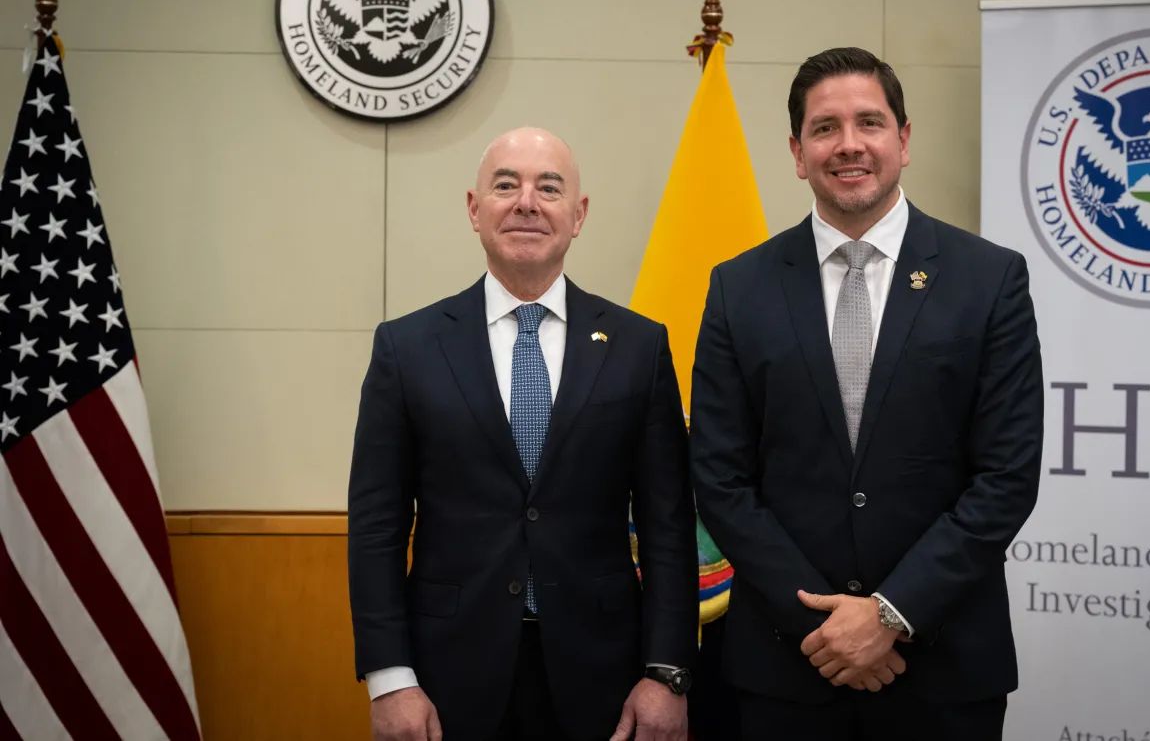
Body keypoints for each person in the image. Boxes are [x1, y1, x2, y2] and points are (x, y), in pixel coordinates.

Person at [688, 47, 1044, 740]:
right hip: (789, 668)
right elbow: (720, 476)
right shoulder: (739, 287)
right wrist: (822, 627)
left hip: (942, 665)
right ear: (797, 151)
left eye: (869, 123)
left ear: (904, 140)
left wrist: (890, 613)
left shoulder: (988, 279)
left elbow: (1006, 475)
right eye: (825, 128)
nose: (848, 145)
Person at [348, 127, 699, 741]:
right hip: (445, 676)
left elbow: (668, 526)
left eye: (549, 187)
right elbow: (377, 525)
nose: (527, 203)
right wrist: (390, 677)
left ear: (579, 214)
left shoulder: (639, 347)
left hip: (605, 676)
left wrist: (666, 673)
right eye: (505, 185)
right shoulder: (407, 347)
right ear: (473, 209)